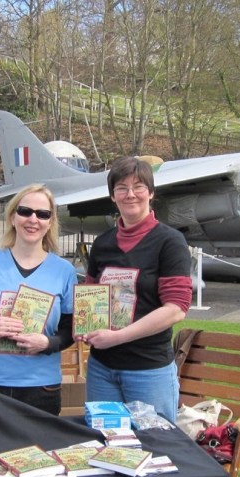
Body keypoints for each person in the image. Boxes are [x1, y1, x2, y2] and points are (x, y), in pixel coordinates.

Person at [77, 156, 192, 424]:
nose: (130, 194)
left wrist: (116, 337)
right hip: (102, 368)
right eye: (122, 188)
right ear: (113, 197)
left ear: (151, 193)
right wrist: (86, 326)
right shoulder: (102, 245)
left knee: (155, 446)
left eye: (139, 187)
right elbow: (91, 296)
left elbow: (176, 309)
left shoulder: (170, 242)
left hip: (148, 369)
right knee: (105, 443)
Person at [0, 184, 77, 415]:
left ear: (50, 222)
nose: (33, 219)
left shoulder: (64, 271)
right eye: (25, 211)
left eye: (42, 214)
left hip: (42, 389)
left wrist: (48, 343)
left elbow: (70, 329)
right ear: (13, 217)